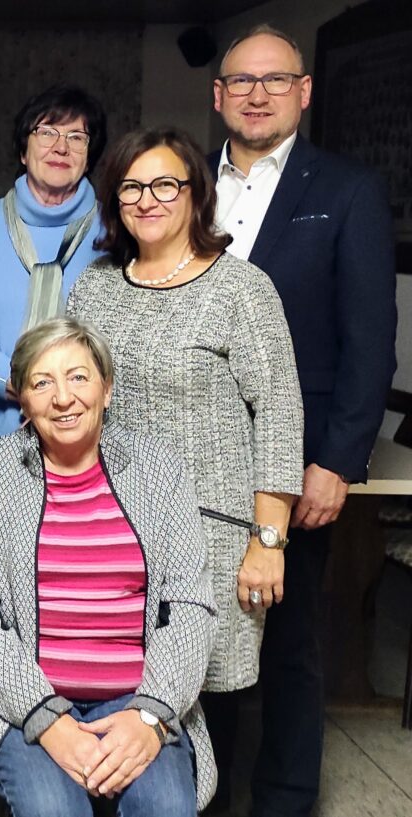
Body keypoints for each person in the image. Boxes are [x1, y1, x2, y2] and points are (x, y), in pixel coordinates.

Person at [67, 127, 305, 811]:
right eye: (132, 186)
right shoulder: (96, 288)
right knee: (120, 696)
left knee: (207, 703)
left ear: (195, 193)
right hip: (112, 530)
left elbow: (280, 417)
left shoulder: (242, 289)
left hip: (215, 535)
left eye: (165, 183)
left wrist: (268, 542)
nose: (148, 199)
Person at [208, 25, 398, 815]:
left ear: (305, 90)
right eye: (241, 81)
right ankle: (197, 791)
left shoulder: (346, 189)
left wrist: (338, 459)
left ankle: (284, 798)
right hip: (195, 453)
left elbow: (370, 340)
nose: (257, 93)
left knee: (289, 643)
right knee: (198, 630)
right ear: (217, 95)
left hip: (301, 458)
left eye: (275, 79)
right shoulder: (180, 182)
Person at [0, 317, 217, 815]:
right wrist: (47, 719)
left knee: (167, 808)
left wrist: (150, 717)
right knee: (54, 810)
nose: (63, 398)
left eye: (78, 378)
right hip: (17, 702)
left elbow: (192, 605)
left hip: (137, 698)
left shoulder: (158, 467)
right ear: (23, 400)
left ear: (106, 390)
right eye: (42, 383)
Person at [0, 85, 106, 446]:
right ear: (23, 151)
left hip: (92, 443)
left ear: (89, 156)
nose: (61, 147)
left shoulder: (116, 228)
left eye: (77, 136)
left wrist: (67, 393)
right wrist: (30, 385)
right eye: (46, 132)